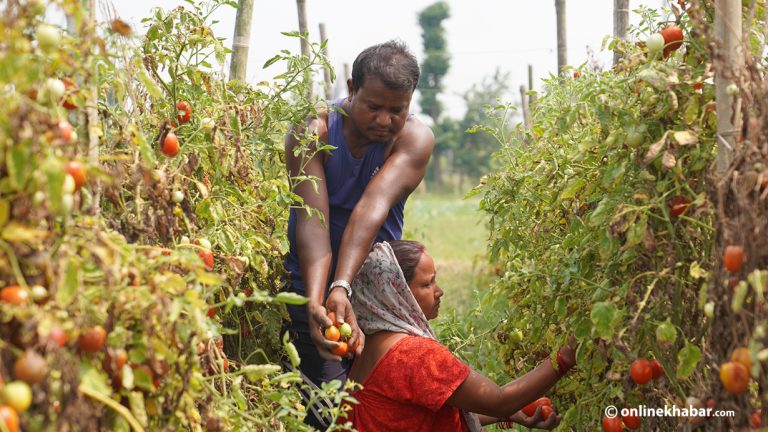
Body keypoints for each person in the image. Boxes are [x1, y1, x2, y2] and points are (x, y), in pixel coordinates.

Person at [283, 41, 434, 396]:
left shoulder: (414, 139)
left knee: (384, 393)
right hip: (311, 281)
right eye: (373, 107)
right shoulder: (314, 131)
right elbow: (312, 220)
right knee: (325, 397)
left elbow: (371, 209)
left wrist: (344, 285)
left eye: (397, 110)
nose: (384, 120)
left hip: (375, 290)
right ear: (351, 89)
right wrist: (318, 301)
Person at [341, 240, 577, 431]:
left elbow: (413, 415)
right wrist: (565, 357)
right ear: (396, 295)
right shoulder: (414, 355)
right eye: (427, 284)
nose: (439, 291)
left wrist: (511, 415)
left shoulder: (369, 346)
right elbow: (500, 400)